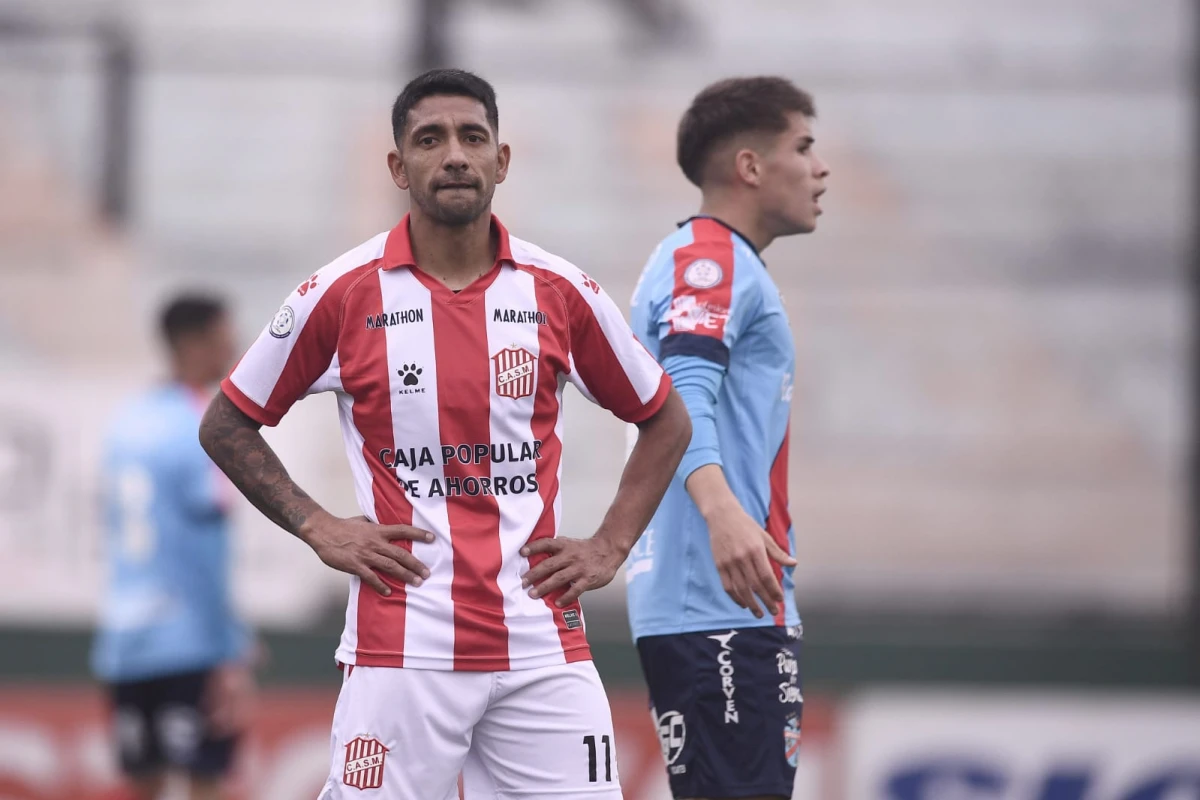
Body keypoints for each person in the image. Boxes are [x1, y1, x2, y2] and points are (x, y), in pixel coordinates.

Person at [198, 68, 690, 800]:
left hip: (541, 645)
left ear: (502, 160)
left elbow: (665, 419)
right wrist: (318, 526)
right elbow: (226, 422)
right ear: (399, 166)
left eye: (472, 137)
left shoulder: (560, 291)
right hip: (404, 646)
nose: (454, 155)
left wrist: (610, 543)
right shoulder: (341, 293)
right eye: (430, 140)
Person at [624, 76, 830, 800]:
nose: (820, 168)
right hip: (714, 603)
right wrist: (722, 514)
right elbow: (681, 393)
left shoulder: (720, 260)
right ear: (750, 166)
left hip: (728, 601)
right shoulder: (709, 261)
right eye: (803, 147)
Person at [92, 295, 256, 800]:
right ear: (196, 342)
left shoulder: (126, 421)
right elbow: (201, 547)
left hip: (124, 639)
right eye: (227, 336)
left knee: (144, 784)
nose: (238, 348)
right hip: (188, 640)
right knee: (205, 783)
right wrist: (228, 647)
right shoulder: (202, 425)